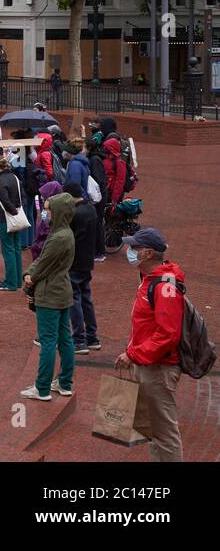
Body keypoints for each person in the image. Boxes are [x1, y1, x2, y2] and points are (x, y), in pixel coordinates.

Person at [114, 228, 185, 461]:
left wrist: (133, 354)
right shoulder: (149, 280)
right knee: (155, 431)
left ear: (147, 253)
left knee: (163, 434)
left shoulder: (163, 287)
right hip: (149, 363)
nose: (130, 251)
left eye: (134, 248)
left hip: (158, 367)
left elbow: (168, 334)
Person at [21, 191, 77, 402]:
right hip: (62, 291)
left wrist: (29, 277)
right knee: (64, 339)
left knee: (47, 341)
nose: (44, 213)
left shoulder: (57, 238)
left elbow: (42, 264)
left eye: (47, 210)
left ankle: (42, 388)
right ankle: (64, 382)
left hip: (49, 294)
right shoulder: (66, 234)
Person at [64, 179, 101, 355]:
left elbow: (67, 237)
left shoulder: (74, 213)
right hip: (87, 260)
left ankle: (79, 339)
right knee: (86, 297)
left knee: (75, 299)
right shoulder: (90, 209)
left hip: (75, 261)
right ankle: (92, 336)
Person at [0, 155, 25, 292]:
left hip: (6, 218)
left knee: (8, 250)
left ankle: (10, 282)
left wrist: (12, 211)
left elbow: (4, 200)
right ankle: (17, 281)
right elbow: (22, 196)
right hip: (16, 217)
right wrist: (16, 211)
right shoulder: (14, 178)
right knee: (16, 248)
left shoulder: (0, 181)